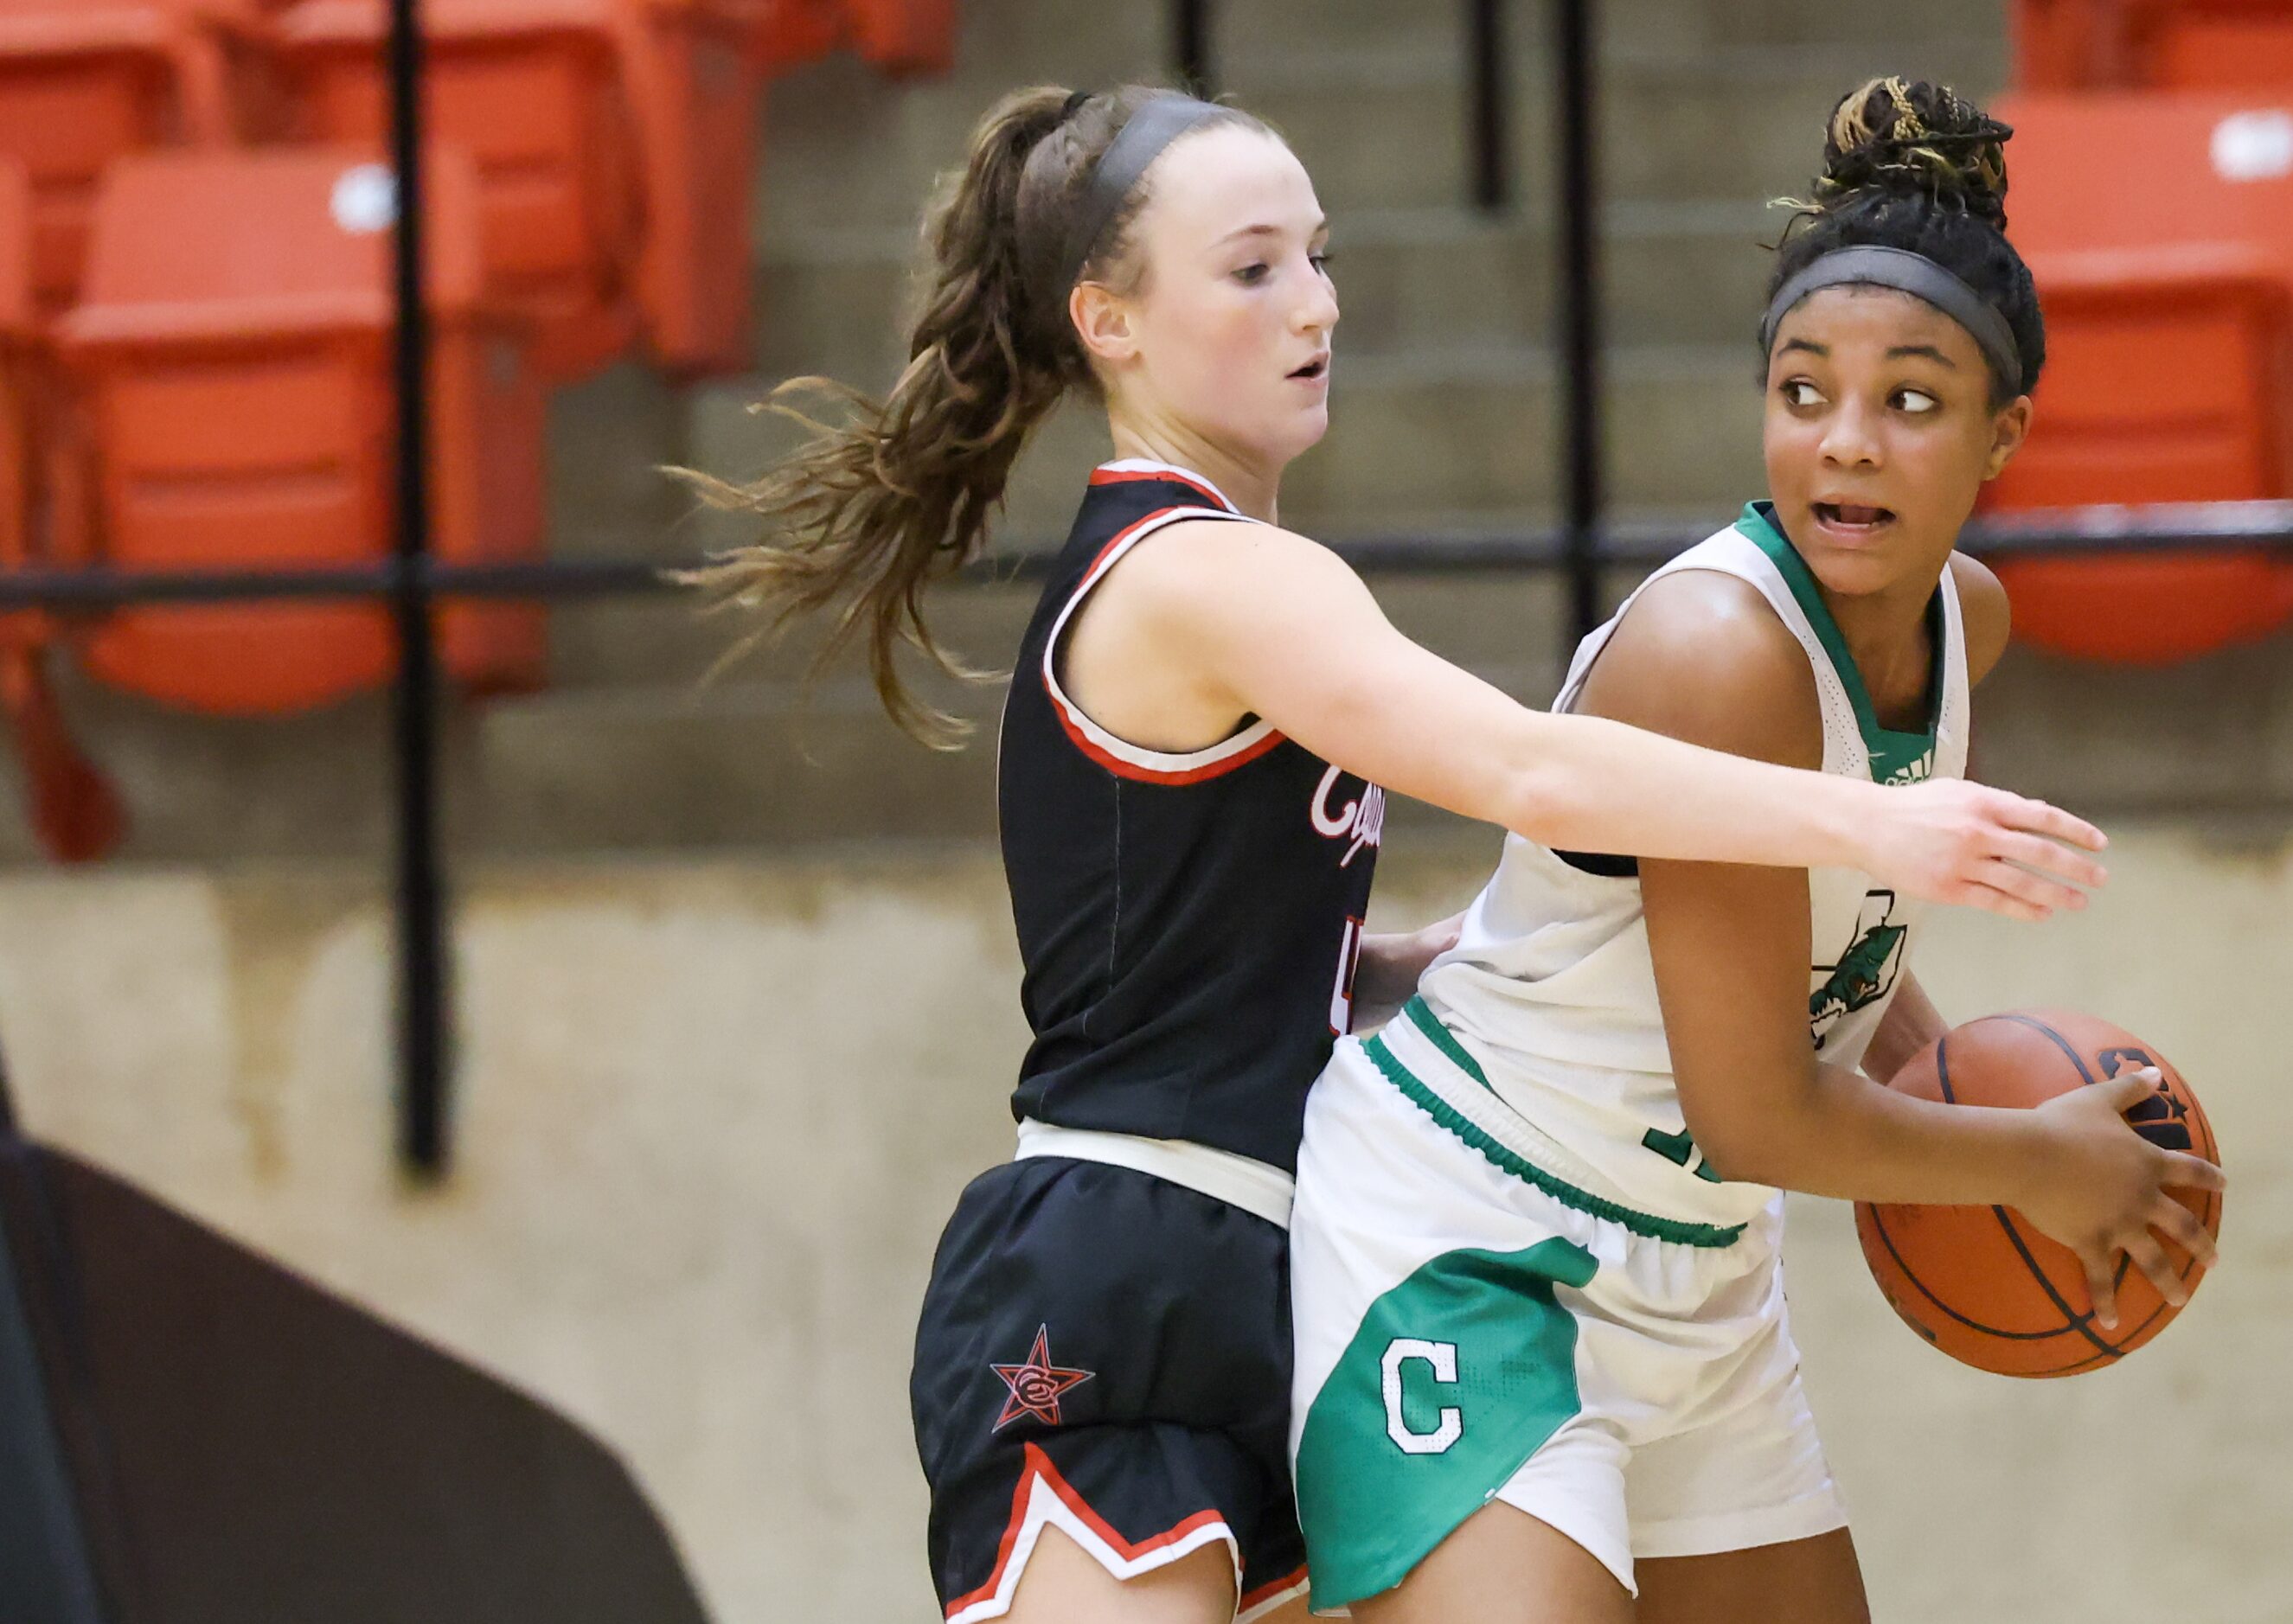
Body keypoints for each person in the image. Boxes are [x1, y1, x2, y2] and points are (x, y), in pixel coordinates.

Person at [687, 83, 2116, 1624]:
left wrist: (1438, 956)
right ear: (1107, 319)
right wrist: (1879, 818)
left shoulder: (1255, 575)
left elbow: (1224, 929)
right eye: (1252, 269)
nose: (1314, 302)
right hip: (1123, 1249)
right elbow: (1521, 764)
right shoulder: (1201, 574)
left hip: (1278, 1240)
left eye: (1319, 256)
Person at [1284, 79, 2230, 1624]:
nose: (1846, 445)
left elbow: (1828, 935)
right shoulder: (1718, 650)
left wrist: (1938, 1063)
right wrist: (2030, 1160)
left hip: (1698, 1269)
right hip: (1472, 1235)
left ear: (2006, 437)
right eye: (1803, 392)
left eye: (1911, 402)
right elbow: (1754, 1109)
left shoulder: (1961, 623)